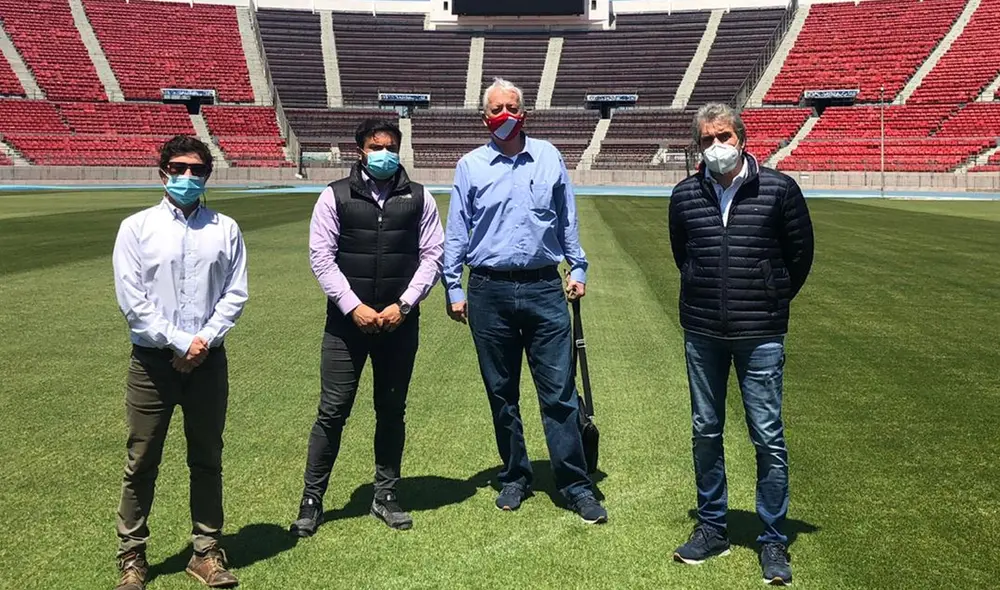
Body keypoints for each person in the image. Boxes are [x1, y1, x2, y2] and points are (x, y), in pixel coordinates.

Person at [442, 78, 607, 524]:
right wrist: (453, 286)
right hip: (488, 290)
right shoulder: (470, 166)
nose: (504, 115)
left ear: (524, 113)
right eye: (496, 109)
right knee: (502, 393)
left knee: (559, 392)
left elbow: (567, 218)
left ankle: (575, 483)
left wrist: (578, 268)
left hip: (543, 288)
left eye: (511, 107)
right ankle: (515, 475)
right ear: (484, 118)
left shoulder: (549, 157)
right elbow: (457, 229)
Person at [668, 103, 814, 586]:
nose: (716, 147)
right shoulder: (684, 195)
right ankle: (712, 527)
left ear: (742, 138)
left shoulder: (778, 189)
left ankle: (772, 537)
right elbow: (683, 254)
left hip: (761, 333)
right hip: (703, 331)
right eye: (707, 140)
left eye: (724, 137)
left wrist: (770, 296)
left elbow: (799, 254)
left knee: (767, 435)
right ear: (698, 146)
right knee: (705, 430)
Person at [290, 118, 444, 536]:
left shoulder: (419, 197)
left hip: (399, 323)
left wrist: (404, 305)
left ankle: (386, 494)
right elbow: (321, 257)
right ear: (360, 150)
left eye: (391, 147)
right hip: (346, 327)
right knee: (332, 411)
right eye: (377, 147)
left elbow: (433, 255)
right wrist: (352, 306)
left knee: (391, 411)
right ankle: (311, 500)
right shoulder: (335, 195)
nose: (384, 154)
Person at [111, 135, 248, 590]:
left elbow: (235, 294)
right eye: (179, 168)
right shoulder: (137, 228)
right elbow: (133, 301)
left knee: (207, 458)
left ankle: (206, 552)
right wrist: (180, 343)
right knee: (142, 459)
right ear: (162, 172)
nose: (188, 177)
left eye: (197, 170)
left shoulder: (225, 229)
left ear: (208, 175)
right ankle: (132, 556)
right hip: (152, 363)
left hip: (208, 361)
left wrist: (201, 342)